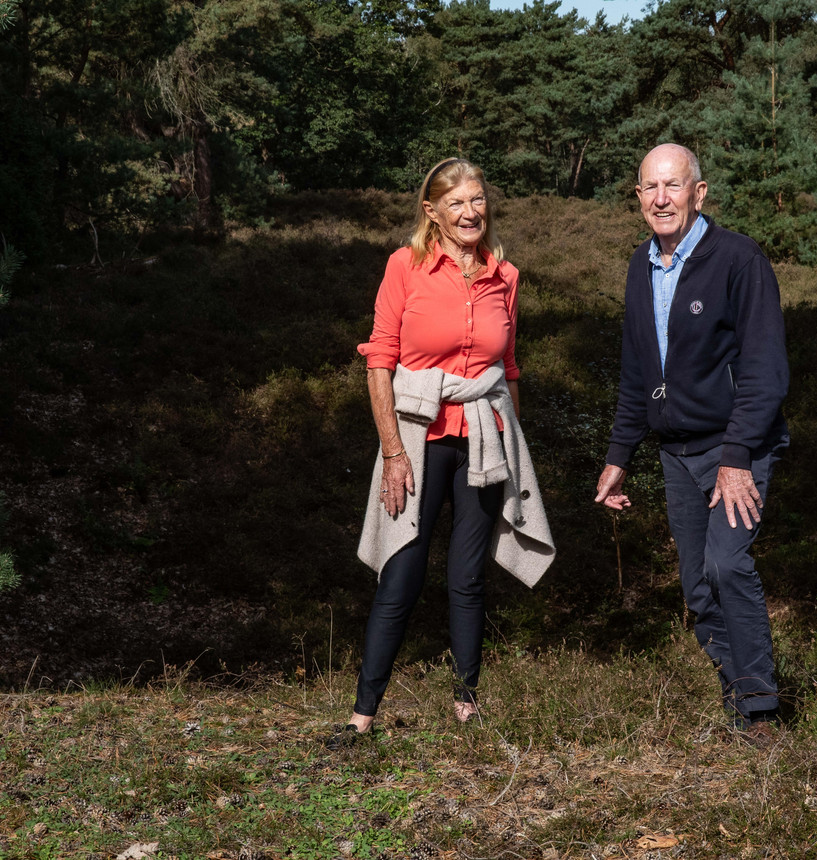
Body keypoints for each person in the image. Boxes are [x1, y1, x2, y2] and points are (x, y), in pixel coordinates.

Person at [336, 158, 555, 747]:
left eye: (478, 200)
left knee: (467, 577)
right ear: (431, 211)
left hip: (484, 434)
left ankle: (466, 704)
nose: (470, 212)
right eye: (456, 203)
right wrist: (391, 453)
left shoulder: (504, 275)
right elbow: (380, 360)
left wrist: (514, 444)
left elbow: (507, 369)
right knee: (401, 572)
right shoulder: (403, 267)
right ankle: (362, 718)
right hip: (416, 437)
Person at [595, 143, 790, 740]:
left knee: (727, 565)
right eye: (650, 188)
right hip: (674, 453)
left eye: (673, 186)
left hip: (737, 447)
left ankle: (761, 710)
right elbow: (638, 372)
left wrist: (736, 460)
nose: (661, 199)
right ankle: (740, 700)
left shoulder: (739, 260)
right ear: (637, 198)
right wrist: (618, 456)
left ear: (698, 193)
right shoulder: (639, 266)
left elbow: (765, 372)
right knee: (698, 588)